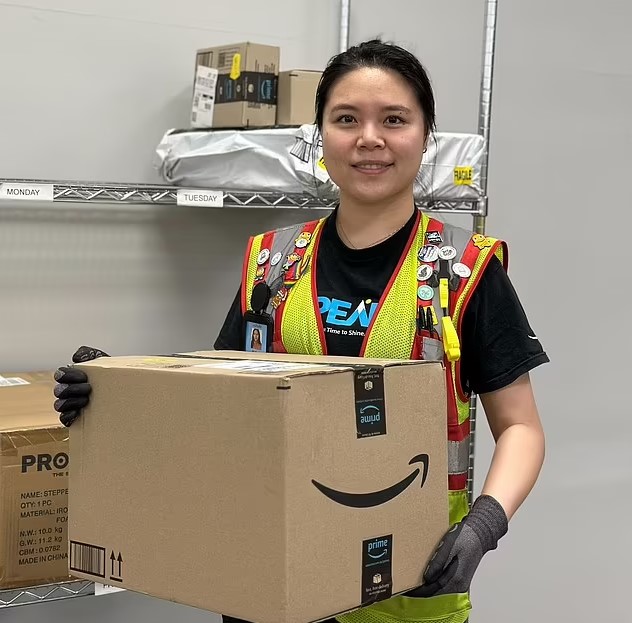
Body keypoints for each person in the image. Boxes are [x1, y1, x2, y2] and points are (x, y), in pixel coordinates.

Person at [53, 39, 547, 623]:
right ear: (319, 136)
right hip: (273, 580)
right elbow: (219, 403)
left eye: (394, 120)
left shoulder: (464, 270)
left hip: (409, 586)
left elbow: (520, 427)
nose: (369, 138)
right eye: (346, 119)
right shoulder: (273, 264)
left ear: (425, 137)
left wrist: (484, 524)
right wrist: (116, 394)